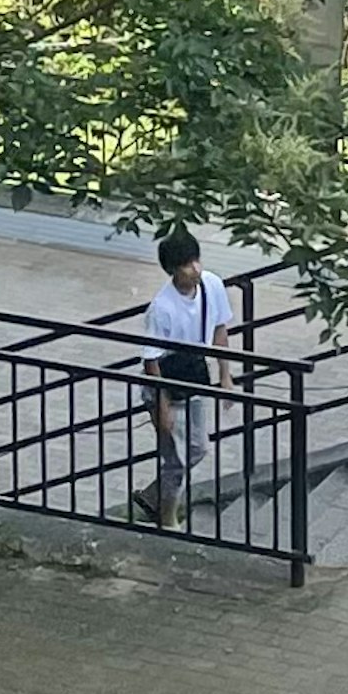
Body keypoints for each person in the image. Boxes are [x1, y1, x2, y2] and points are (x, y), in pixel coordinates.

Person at [137, 225, 232, 531]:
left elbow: (220, 330)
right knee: (175, 456)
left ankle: (153, 498)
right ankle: (167, 516)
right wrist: (162, 406)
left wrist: (226, 376)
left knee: (197, 448)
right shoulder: (161, 308)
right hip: (166, 381)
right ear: (173, 270)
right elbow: (151, 359)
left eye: (196, 261)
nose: (196, 269)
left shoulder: (211, 285)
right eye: (187, 264)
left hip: (192, 376)